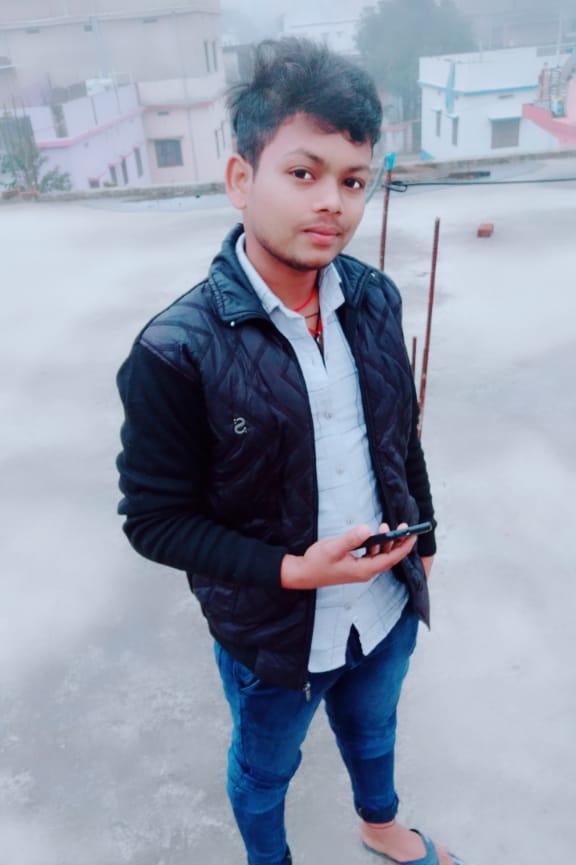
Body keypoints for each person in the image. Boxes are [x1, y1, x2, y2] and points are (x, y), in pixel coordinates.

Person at [116, 38, 464, 865]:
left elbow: (398, 433)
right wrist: (292, 571)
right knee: (264, 771)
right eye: (303, 173)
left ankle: (379, 822)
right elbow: (154, 520)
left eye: (353, 180)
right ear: (241, 178)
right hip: (272, 637)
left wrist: (425, 538)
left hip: (384, 603)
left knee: (374, 727)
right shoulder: (174, 350)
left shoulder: (373, 299)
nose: (332, 203)